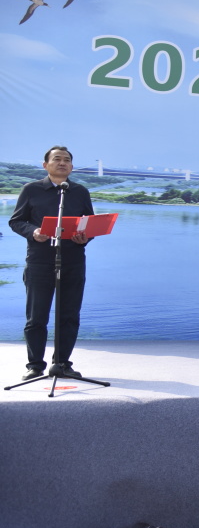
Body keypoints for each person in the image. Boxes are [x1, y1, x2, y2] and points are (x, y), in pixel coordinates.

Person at [8, 146, 95, 380]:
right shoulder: (31, 189)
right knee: (36, 317)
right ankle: (35, 366)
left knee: (69, 316)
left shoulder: (80, 191)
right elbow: (16, 221)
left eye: (67, 160)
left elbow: (89, 224)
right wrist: (33, 231)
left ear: (72, 167)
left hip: (73, 260)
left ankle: (62, 364)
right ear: (45, 165)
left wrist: (85, 237)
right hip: (40, 261)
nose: (62, 163)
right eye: (57, 159)